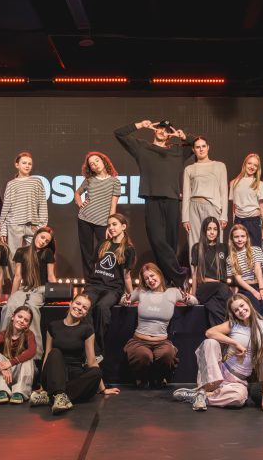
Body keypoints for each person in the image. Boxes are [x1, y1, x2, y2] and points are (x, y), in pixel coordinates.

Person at [114, 119, 195, 287]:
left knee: (171, 244)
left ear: (170, 134)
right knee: (157, 241)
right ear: (154, 130)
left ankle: (167, 282)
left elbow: (198, 144)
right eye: (159, 128)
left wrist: (183, 136)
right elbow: (119, 134)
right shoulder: (142, 148)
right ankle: (179, 275)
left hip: (172, 199)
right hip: (151, 199)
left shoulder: (177, 151)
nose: (162, 131)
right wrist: (139, 125)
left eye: (166, 130)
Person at [173, 294, 263, 411]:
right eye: (236, 310)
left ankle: (201, 396)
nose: (241, 311)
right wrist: (235, 343)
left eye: (242, 305)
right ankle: (206, 389)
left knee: (238, 398)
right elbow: (209, 333)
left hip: (238, 380)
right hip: (219, 374)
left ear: (248, 303)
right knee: (210, 342)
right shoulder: (234, 324)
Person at [32, 294, 120, 414]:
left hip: (74, 376)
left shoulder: (87, 329)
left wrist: (103, 389)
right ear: (70, 304)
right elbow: (47, 355)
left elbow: (92, 362)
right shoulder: (53, 326)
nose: (80, 308)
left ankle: (52, 397)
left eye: (84, 308)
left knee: (96, 372)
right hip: (54, 374)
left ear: (86, 313)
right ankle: (58, 395)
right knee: (55, 352)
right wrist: (42, 386)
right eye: (78, 303)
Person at [120, 263, 198, 388]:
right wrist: (125, 300)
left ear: (159, 274)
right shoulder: (141, 292)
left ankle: (160, 377)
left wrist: (188, 299)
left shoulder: (173, 292)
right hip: (139, 341)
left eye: (152, 276)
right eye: (146, 278)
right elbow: (124, 299)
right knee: (143, 355)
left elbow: (194, 301)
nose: (150, 280)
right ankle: (141, 378)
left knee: (167, 354)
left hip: (161, 341)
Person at [83, 214, 135, 357]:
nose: (111, 227)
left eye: (114, 224)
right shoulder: (103, 244)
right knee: (85, 306)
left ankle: (97, 352)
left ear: (123, 226)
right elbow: (94, 265)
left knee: (102, 307)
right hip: (94, 285)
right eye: (109, 225)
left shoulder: (128, 249)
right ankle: (88, 349)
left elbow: (127, 276)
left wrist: (132, 296)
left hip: (113, 289)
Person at [0, 226, 56, 357]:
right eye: (42, 237)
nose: (43, 242)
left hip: (41, 288)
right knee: (9, 307)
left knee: (32, 309)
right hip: (24, 288)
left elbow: (51, 276)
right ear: (36, 235)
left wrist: (56, 294)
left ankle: (35, 353)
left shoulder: (47, 253)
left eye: (47, 241)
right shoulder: (21, 251)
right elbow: (17, 277)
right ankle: (3, 347)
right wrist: (12, 296)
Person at [75, 151, 121, 279]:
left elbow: (113, 206)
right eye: (91, 164)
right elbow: (77, 193)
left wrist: (110, 225)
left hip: (103, 222)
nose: (95, 164)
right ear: (91, 168)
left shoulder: (115, 182)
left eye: (97, 160)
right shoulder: (89, 180)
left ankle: (103, 280)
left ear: (103, 161)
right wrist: (80, 204)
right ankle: (89, 281)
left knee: (105, 251)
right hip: (84, 219)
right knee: (87, 252)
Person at [182, 136, 228, 250]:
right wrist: (185, 218)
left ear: (208, 147)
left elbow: (224, 192)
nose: (201, 149)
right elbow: (186, 194)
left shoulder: (220, 166)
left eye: (203, 146)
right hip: (194, 207)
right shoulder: (189, 169)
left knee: (214, 241)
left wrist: (224, 215)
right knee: (195, 243)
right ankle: (195, 263)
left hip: (212, 206)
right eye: (198, 147)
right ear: (193, 150)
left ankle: (215, 263)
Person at [0, 151, 49, 258]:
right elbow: (6, 208)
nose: (27, 166)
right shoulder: (11, 184)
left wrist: (42, 226)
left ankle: (30, 271)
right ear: (17, 165)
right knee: (13, 256)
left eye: (29, 163)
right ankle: (15, 271)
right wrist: (3, 229)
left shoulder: (36, 181)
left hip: (32, 226)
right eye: (24, 163)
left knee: (33, 256)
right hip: (14, 225)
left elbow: (42, 205)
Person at [0, 305, 37, 404]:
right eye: (20, 317)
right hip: (5, 375)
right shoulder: (2, 335)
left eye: (26, 320)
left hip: (20, 374)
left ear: (28, 325)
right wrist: (1, 367)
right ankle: (1, 391)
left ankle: (19, 392)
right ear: (13, 316)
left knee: (28, 357)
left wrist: (11, 362)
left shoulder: (29, 334)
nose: (22, 321)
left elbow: (32, 351)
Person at [190, 217, 232, 327]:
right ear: (204, 230)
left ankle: (217, 331)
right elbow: (195, 274)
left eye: (215, 229)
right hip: (204, 288)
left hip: (220, 289)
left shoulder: (224, 247)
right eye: (209, 229)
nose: (212, 232)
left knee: (214, 306)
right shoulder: (197, 247)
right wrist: (193, 295)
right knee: (223, 290)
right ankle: (226, 330)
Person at [227, 224, 263, 314]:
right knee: (255, 307)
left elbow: (258, 269)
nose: (240, 239)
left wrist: (261, 288)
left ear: (247, 237)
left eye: (243, 236)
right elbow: (239, 279)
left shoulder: (256, 250)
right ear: (232, 239)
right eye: (236, 237)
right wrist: (254, 292)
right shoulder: (230, 258)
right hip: (245, 288)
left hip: (259, 284)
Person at [229, 153, 263, 249]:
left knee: (255, 250)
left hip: (254, 222)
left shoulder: (260, 184)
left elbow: (262, 205)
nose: (252, 167)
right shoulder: (234, 183)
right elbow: (234, 206)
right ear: (245, 164)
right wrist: (234, 224)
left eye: (255, 165)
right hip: (239, 220)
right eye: (250, 163)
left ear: (257, 168)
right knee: (239, 251)